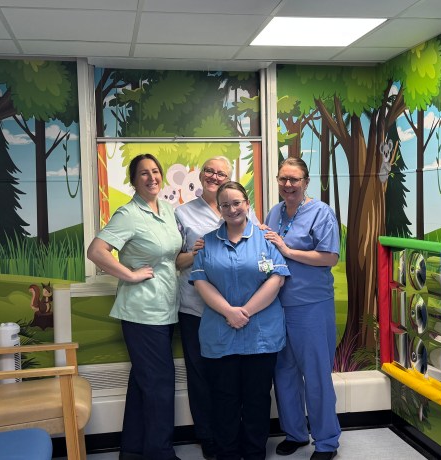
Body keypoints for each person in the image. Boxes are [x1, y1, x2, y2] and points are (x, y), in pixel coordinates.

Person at [86, 153, 183, 460]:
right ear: (133, 179)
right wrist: (129, 274)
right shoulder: (128, 214)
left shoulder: (166, 209)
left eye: (156, 171)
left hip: (165, 308)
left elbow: (169, 257)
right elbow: (96, 250)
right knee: (160, 385)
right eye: (144, 173)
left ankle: (132, 449)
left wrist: (197, 251)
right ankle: (160, 452)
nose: (152, 177)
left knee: (144, 382)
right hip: (142, 312)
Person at [190, 181, 289, 460]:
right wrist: (229, 312)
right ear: (219, 209)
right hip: (220, 333)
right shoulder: (207, 242)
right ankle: (228, 453)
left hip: (261, 334)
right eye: (225, 205)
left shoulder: (266, 239)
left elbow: (276, 279)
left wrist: (244, 311)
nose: (232, 209)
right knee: (224, 399)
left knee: (257, 399)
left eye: (237, 203)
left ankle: (255, 452)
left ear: (247, 204)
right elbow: (200, 282)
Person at [174, 156, 256, 459]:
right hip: (197, 309)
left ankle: (234, 436)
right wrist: (195, 253)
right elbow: (175, 261)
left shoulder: (247, 210)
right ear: (200, 174)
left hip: (238, 312)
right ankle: (208, 437)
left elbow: (259, 248)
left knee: (235, 378)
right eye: (209, 171)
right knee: (201, 376)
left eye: (221, 172)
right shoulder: (182, 213)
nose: (214, 176)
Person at [263, 158, 341, 460]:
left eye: (294, 179)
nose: (288, 185)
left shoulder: (321, 213)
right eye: (283, 179)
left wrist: (286, 250)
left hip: (311, 306)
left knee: (316, 375)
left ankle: (326, 441)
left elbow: (329, 257)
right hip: (276, 306)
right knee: (284, 373)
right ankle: (295, 433)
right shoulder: (275, 211)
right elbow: (267, 251)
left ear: (306, 182)